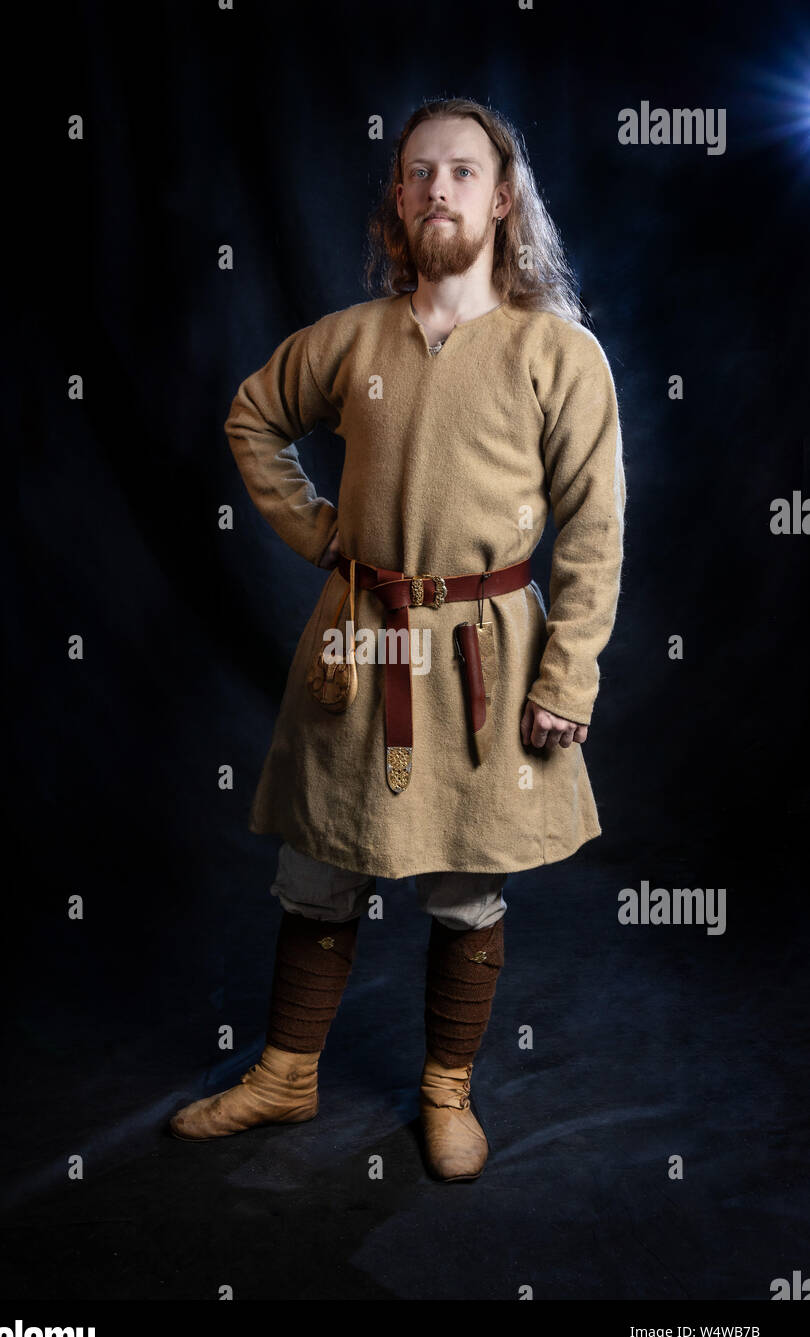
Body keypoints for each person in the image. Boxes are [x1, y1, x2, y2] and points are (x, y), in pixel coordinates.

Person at [170, 97, 627, 1182]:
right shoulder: (354, 338)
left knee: (464, 885)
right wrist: (321, 530)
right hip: (359, 644)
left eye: (462, 172)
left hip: (485, 659)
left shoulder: (556, 354)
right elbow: (252, 414)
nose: (437, 190)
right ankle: (287, 1073)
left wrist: (566, 673)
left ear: (502, 198)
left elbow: (596, 527)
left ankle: (443, 1092)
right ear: (396, 199)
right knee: (319, 862)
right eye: (418, 172)